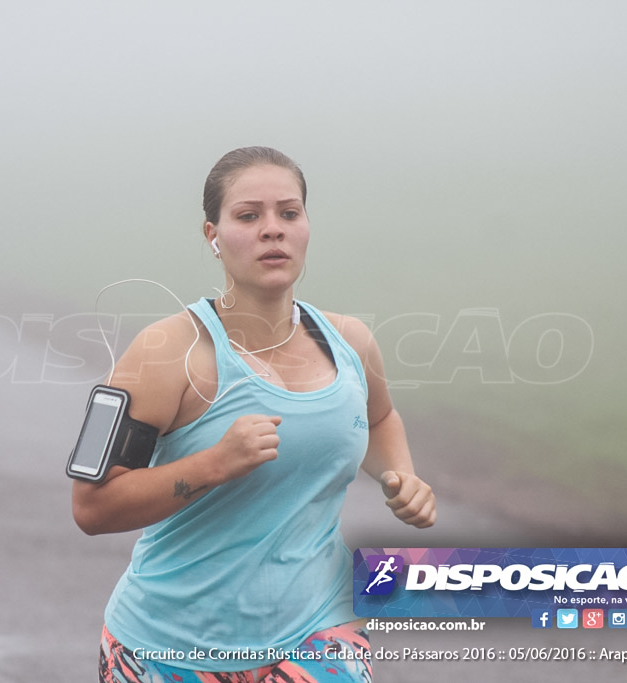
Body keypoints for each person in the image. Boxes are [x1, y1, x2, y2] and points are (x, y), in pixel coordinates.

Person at [72, 146, 436, 682]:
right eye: (248, 216)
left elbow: (379, 418)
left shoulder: (351, 342)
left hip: (319, 629)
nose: (273, 230)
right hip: (169, 649)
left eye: (289, 213)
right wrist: (212, 465)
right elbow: (91, 507)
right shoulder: (162, 352)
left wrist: (400, 474)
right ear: (212, 235)